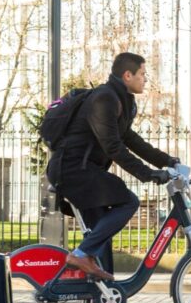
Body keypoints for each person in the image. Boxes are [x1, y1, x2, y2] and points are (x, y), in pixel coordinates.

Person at [46, 52, 178, 285]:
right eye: (142, 74)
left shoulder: (122, 101)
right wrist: (148, 174)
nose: (145, 79)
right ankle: (79, 255)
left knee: (101, 232)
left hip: (83, 171)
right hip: (73, 170)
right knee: (128, 201)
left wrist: (168, 162)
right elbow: (113, 147)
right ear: (127, 75)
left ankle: (103, 299)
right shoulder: (104, 99)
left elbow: (131, 139)